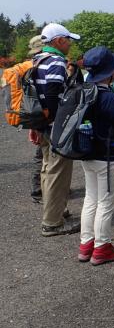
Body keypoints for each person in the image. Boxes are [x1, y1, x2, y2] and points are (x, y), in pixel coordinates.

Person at [78, 46, 114, 265]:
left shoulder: (83, 91)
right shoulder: (109, 96)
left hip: (86, 152)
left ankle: (86, 244)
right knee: (105, 202)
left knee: (90, 199)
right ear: (110, 72)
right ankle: (102, 248)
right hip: (107, 156)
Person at [29, 23, 81, 237]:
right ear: (59, 40)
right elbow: (52, 94)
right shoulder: (56, 61)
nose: (70, 44)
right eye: (68, 40)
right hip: (54, 126)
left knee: (47, 167)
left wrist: (38, 123)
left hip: (41, 123)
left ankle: (56, 209)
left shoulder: (38, 58)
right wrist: (59, 122)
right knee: (58, 172)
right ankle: (52, 223)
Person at [27, 35, 44, 203]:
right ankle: (39, 190)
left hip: (35, 116)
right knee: (45, 156)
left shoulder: (30, 67)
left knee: (41, 155)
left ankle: (38, 189)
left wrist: (32, 125)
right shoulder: (47, 66)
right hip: (46, 118)